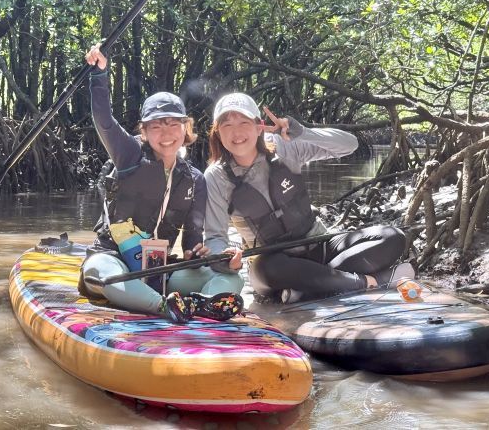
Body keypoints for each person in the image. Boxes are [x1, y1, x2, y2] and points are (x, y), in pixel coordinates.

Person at [77, 44, 245, 323]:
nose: (166, 133)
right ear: (143, 131)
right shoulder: (128, 155)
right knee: (105, 276)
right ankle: (164, 307)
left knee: (231, 279)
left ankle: (201, 305)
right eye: (156, 126)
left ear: (185, 128)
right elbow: (104, 121)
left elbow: (193, 241)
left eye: (173, 124)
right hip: (113, 259)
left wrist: (213, 258)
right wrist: (99, 75)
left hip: (160, 270)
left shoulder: (195, 179)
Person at [204, 92, 413, 303]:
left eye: (243, 122)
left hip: (319, 245)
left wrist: (302, 132)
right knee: (270, 268)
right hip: (273, 264)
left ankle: (310, 288)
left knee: (393, 237)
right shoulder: (215, 177)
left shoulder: (283, 146)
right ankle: (366, 282)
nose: (236, 132)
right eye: (226, 125)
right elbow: (214, 238)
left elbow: (350, 145)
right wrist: (225, 258)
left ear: (259, 126)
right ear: (217, 133)